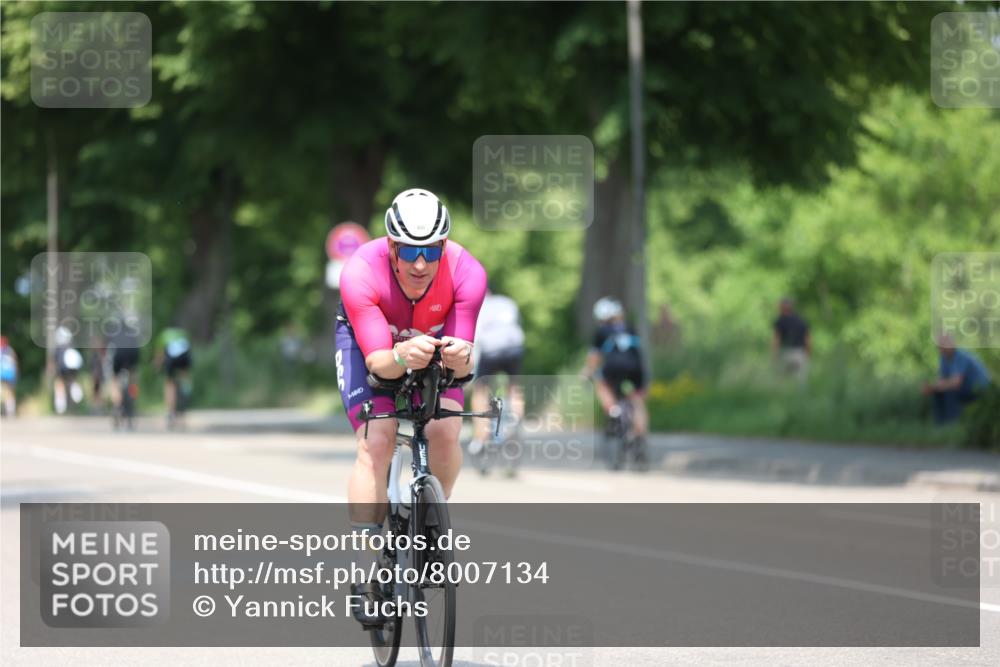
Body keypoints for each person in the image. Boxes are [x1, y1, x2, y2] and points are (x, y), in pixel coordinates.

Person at [335, 188, 486, 627]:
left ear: (443, 247)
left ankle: (431, 522)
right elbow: (379, 362)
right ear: (391, 247)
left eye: (431, 250)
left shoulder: (467, 273)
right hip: (373, 346)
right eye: (410, 250)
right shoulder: (360, 272)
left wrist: (460, 357)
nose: (420, 263)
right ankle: (367, 574)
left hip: (430, 342)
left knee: (445, 430)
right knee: (376, 441)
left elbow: (465, 357)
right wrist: (401, 356)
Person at [468, 285, 525, 458]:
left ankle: (481, 437)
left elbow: (475, 341)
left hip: (491, 350)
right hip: (515, 348)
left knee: (480, 391)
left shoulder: (477, 307)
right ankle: (515, 420)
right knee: (514, 387)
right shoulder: (507, 302)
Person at [581, 297, 649, 442]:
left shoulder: (602, 331)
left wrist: (586, 373)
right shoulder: (630, 327)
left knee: (601, 384)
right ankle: (639, 435)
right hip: (636, 367)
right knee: (637, 400)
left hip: (613, 367)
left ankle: (614, 411)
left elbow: (594, 357)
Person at [922, 334, 992, 424]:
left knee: (950, 391)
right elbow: (942, 380)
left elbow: (956, 382)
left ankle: (953, 425)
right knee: (938, 393)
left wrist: (935, 387)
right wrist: (932, 387)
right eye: (940, 346)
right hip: (964, 388)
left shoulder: (961, 356)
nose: (942, 348)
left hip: (979, 389)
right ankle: (940, 427)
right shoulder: (944, 359)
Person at [154, 326, 192, 429]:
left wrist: (157, 367)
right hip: (184, 358)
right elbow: (188, 349)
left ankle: (170, 411)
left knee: (169, 383)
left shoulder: (164, 335)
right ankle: (186, 391)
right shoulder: (183, 334)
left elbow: (160, 355)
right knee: (185, 376)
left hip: (171, 359)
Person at [772, 296, 811, 381]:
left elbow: (776, 340)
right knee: (799, 383)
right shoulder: (801, 320)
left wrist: (775, 355)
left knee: (784, 382)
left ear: (782, 307)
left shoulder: (780, 321)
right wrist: (807, 355)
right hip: (800, 353)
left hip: (785, 353)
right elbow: (807, 340)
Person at [52, 326, 85, 414]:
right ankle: (75, 389)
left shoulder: (58, 349)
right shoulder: (71, 347)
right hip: (72, 368)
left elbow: (55, 361)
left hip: (62, 368)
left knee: (59, 383)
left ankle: (61, 404)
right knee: (72, 380)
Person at [1, 335, 18, 417]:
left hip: (5, 375)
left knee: (7, 392)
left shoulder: (7, 351)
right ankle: (10, 411)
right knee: (9, 393)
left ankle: (9, 410)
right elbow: (15, 363)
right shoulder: (11, 351)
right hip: (9, 375)